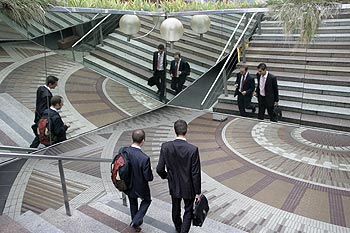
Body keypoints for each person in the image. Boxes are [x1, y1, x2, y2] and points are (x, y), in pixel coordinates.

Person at [156, 119, 201, 233]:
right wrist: (197, 192)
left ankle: (178, 227)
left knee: (175, 208)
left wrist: (166, 176)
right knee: (188, 210)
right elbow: (195, 173)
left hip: (173, 183)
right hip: (188, 186)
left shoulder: (166, 147)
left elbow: (159, 168)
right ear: (186, 131)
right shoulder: (192, 149)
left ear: (174, 131)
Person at [125, 129, 153, 232]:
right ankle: (136, 221)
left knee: (133, 202)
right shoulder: (144, 158)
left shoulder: (124, 151)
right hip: (140, 186)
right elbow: (148, 177)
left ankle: (135, 222)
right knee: (147, 200)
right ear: (143, 141)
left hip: (127, 184)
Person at [30, 75, 59, 148]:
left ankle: (33, 148)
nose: (56, 86)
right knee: (41, 133)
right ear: (50, 84)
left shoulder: (40, 88)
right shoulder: (47, 95)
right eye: (55, 84)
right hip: (42, 117)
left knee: (40, 133)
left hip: (38, 115)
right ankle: (36, 147)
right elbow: (43, 108)